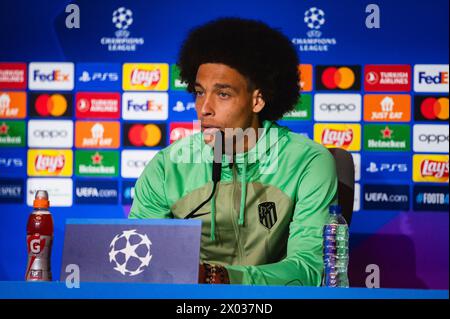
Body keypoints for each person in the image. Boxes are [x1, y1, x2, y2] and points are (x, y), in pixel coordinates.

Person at [129, 17, 338, 286]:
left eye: (223, 94)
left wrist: (222, 278)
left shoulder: (308, 162)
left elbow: (310, 271)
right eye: (199, 92)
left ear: (257, 100)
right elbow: (138, 266)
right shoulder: (167, 167)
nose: (204, 108)